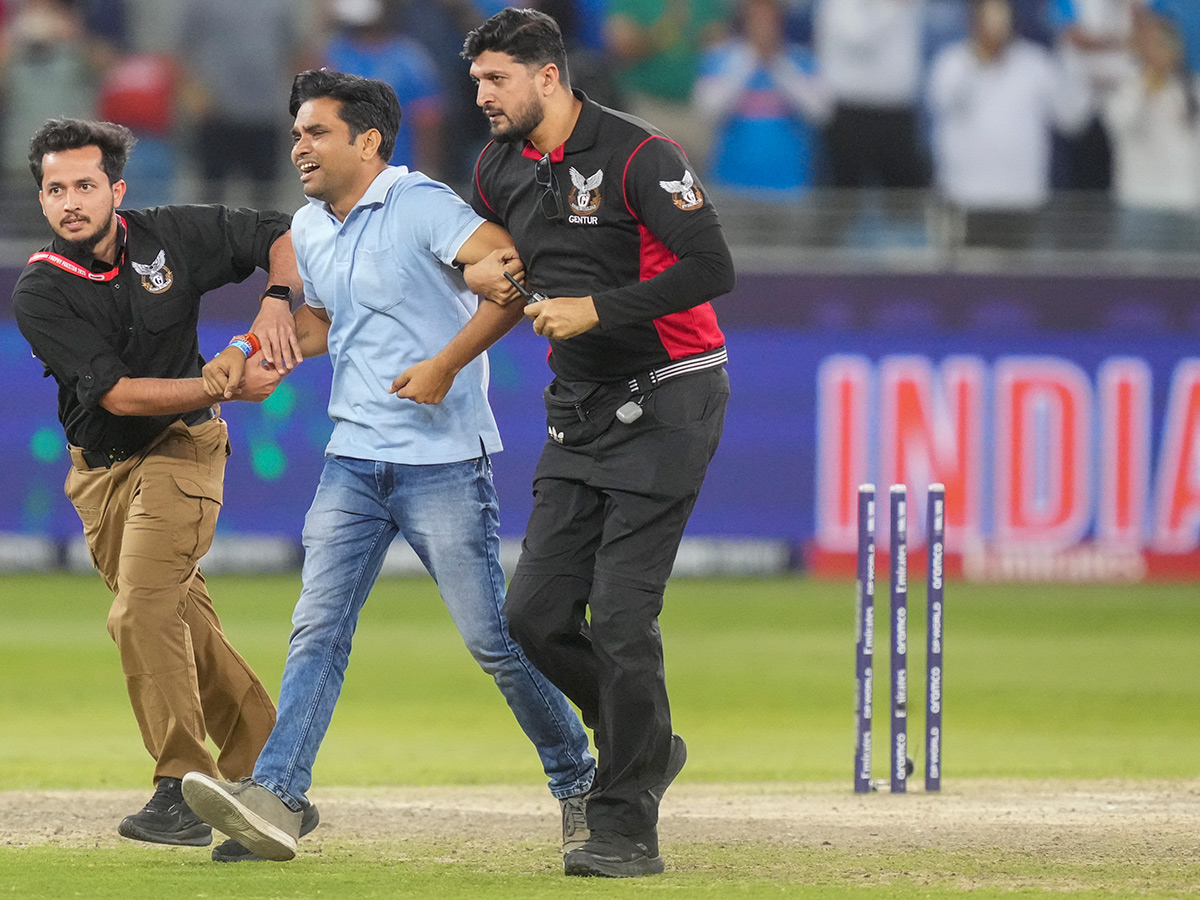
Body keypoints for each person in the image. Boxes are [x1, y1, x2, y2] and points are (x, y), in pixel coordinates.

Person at [180, 69, 595, 864]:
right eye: (297, 131)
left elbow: (509, 276)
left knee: (494, 642)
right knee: (316, 632)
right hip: (353, 460)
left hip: (442, 462)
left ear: (367, 141)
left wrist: (443, 364)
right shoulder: (311, 226)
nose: (299, 144)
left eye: (316, 132)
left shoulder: (422, 206)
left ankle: (581, 782)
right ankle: (278, 797)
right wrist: (245, 349)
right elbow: (325, 321)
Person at [461, 8, 734, 878]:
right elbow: (497, 257)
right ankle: (642, 744)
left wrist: (598, 310)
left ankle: (623, 825)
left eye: (496, 80)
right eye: (476, 83)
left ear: (549, 77)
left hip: (671, 396)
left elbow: (712, 267)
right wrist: (484, 271)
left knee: (620, 618)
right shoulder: (497, 166)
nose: (483, 98)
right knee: (531, 618)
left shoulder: (640, 155)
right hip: (579, 405)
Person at [10, 117, 305, 850]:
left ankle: (177, 788)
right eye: (55, 189)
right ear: (41, 200)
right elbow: (116, 397)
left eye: (84, 185)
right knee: (184, 625)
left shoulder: (171, 235)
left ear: (117, 189)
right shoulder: (42, 290)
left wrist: (275, 300)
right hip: (100, 475)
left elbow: (285, 231)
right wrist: (222, 382)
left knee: (141, 611)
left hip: (183, 450)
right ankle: (273, 776)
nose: (70, 201)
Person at [927, 0, 1090, 247]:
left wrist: (1073, 56)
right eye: (989, 18)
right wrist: (980, 57)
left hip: (1020, 199)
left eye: (1001, 18)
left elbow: (1072, 119)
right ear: (973, 21)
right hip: (964, 198)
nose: (996, 26)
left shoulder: (1035, 64)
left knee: (1016, 282)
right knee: (963, 280)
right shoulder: (952, 63)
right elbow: (946, 100)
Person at [694, 0, 832, 197]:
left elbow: (821, 113)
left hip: (791, 184)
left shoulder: (802, 60)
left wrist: (777, 63)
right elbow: (708, 111)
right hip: (731, 183)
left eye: (769, 19)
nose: (763, 25)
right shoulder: (721, 59)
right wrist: (750, 60)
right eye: (756, 18)